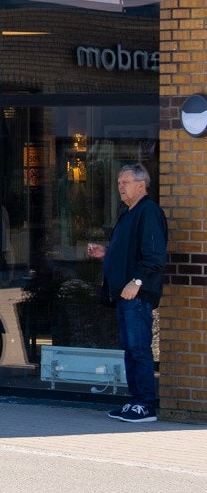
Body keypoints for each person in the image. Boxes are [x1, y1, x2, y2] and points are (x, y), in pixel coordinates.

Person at [87, 163, 167, 423]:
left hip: (136, 296)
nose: (120, 186)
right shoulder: (129, 213)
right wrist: (106, 253)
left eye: (126, 182)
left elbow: (154, 257)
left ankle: (145, 405)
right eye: (119, 182)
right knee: (130, 349)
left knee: (139, 349)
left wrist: (137, 282)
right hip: (124, 295)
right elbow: (127, 253)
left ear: (141, 185)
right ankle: (135, 402)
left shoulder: (149, 211)